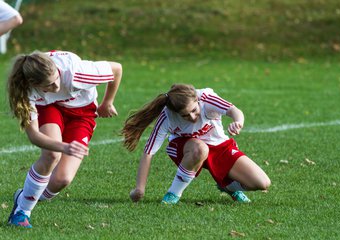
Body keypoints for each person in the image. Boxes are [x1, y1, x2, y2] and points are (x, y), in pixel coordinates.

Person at [7, 50, 122, 228]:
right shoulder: (25, 90)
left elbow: (116, 68)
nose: (56, 87)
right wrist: (63, 147)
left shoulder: (77, 72)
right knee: (52, 155)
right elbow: (35, 136)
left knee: (62, 180)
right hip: (50, 107)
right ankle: (22, 211)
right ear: (34, 84)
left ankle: (27, 196)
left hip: (82, 113)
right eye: (49, 86)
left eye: (56, 79)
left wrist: (107, 102)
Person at [122, 84, 270, 205]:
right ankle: (173, 194)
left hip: (219, 146)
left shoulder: (207, 98)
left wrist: (238, 122)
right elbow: (148, 153)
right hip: (185, 148)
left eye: (194, 110)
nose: (192, 117)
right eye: (185, 115)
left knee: (262, 183)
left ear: (198, 100)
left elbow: (234, 111)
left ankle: (228, 187)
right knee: (200, 148)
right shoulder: (167, 116)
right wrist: (139, 189)